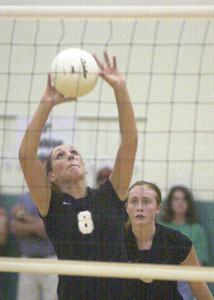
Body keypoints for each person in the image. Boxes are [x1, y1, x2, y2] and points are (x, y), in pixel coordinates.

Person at [18, 51, 138, 300]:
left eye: (74, 152)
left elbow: (130, 142)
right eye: (60, 156)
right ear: (51, 176)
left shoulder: (110, 193)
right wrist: (46, 103)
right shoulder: (49, 202)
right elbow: (26, 156)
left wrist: (120, 89)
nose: (70, 156)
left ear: (84, 167)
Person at [125, 181, 213, 300]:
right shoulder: (115, 241)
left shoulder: (177, 241)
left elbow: (199, 286)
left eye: (146, 202)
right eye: (134, 202)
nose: (139, 208)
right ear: (127, 208)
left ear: (158, 208)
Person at [160, 185, 209, 300]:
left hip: (188, 278)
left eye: (184, 199)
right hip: (164, 275)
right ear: (170, 203)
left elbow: (200, 262)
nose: (180, 203)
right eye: (176, 199)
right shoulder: (161, 227)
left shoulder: (197, 229)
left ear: (189, 204)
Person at [10, 184, 58, 300]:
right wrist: (37, 225)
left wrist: (23, 216)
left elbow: (48, 230)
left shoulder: (57, 198)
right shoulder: (25, 197)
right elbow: (14, 227)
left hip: (51, 262)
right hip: (27, 261)